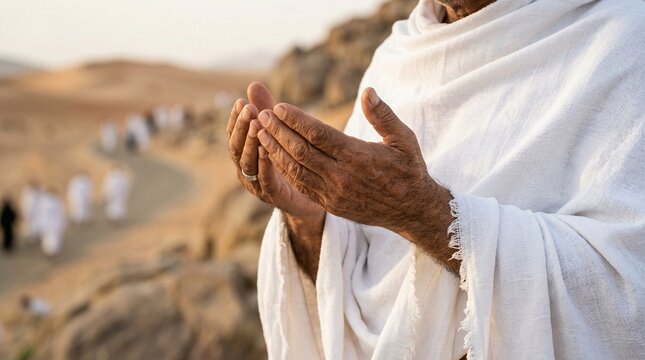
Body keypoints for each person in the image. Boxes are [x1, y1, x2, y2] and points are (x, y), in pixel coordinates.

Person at [227, 0, 645, 359]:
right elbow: (359, 271)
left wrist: (423, 213)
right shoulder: (398, 58)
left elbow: (624, 286)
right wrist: (307, 216)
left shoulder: (624, 42)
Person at [39, 189, 66, 257]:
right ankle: (50, 252)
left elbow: (61, 213)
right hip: (51, 224)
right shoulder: (55, 202)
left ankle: (51, 252)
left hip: (50, 224)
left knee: (51, 238)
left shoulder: (45, 202)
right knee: (49, 239)